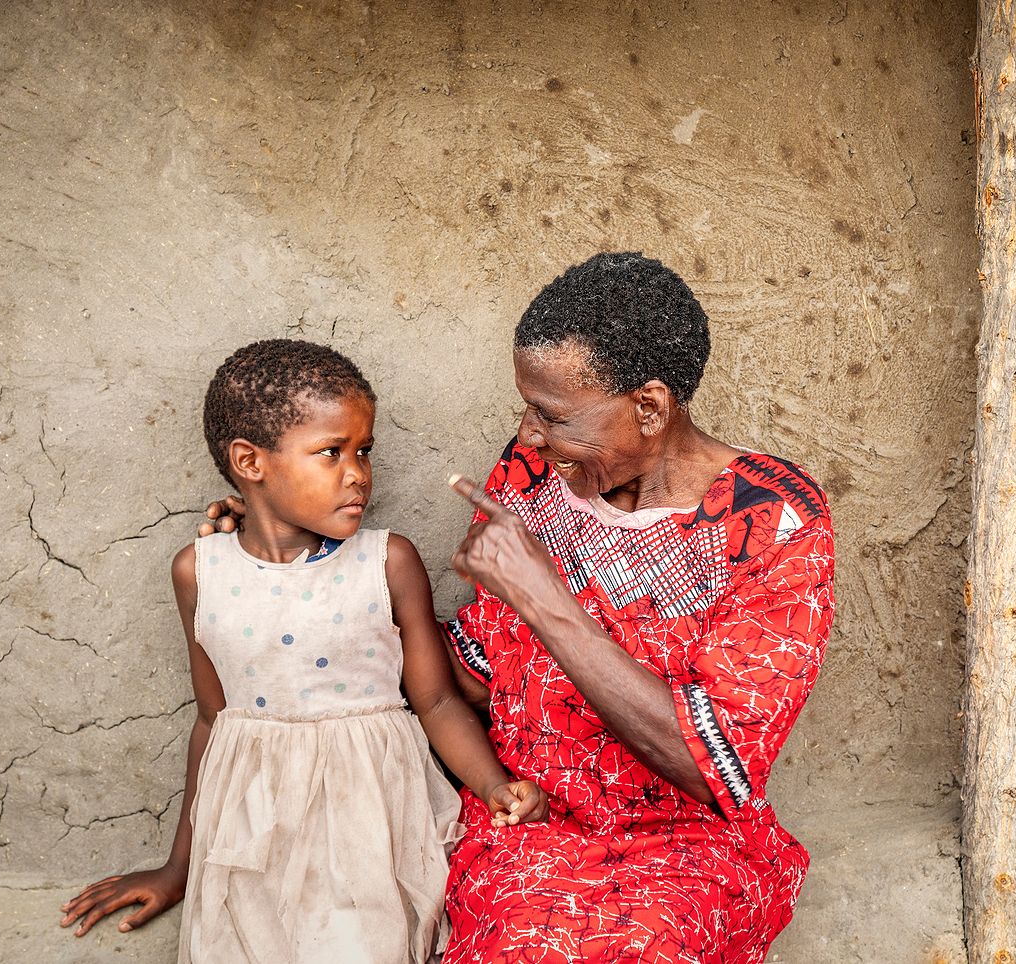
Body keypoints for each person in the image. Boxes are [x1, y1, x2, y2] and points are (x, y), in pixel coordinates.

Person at [205, 252, 835, 962]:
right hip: (528, 820)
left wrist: (542, 596)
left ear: (650, 408)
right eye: (527, 408)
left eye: (553, 415)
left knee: (652, 945)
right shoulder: (533, 474)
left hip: (685, 843)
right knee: (524, 944)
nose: (529, 433)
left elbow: (712, 767)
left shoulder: (775, 520)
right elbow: (472, 681)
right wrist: (282, 550)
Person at [59, 339, 547, 963]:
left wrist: (494, 785)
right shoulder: (199, 573)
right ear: (250, 463)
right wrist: (178, 868)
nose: (358, 473)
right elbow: (213, 719)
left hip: (369, 819)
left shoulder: (388, 563)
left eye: (363, 450)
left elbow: (437, 699)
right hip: (255, 832)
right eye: (330, 453)